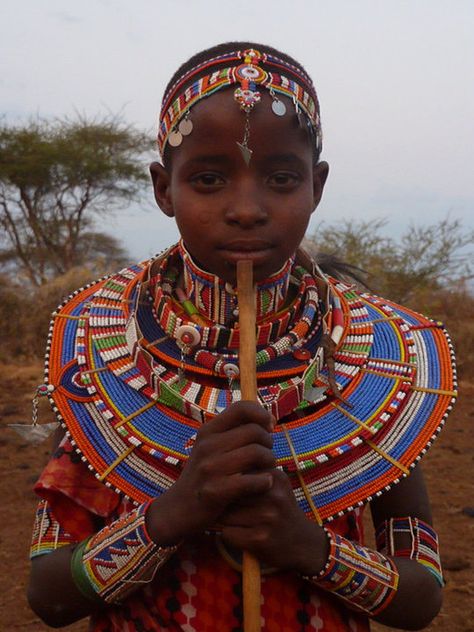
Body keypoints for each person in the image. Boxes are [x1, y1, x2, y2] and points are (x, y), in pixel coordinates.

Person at [27, 42, 456, 631]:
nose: (248, 209)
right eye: (208, 179)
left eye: (281, 178)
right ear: (162, 189)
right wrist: (171, 517)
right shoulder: (102, 354)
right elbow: (49, 594)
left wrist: (310, 548)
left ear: (317, 186)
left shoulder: (377, 365)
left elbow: (422, 596)